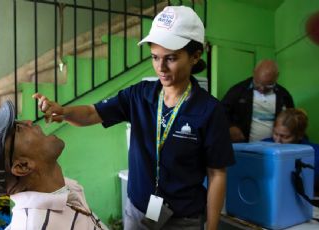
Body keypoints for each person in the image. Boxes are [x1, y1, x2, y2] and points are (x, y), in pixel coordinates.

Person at [34, 6, 235, 230]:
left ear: (195, 57)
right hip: (139, 210)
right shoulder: (140, 95)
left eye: (171, 58)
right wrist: (63, 111)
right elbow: (92, 113)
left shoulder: (209, 110)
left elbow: (217, 174)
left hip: (184, 219)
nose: (161, 67)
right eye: (155, 57)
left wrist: (212, 226)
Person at [0, 101, 106, 230]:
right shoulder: (38, 226)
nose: (29, 122)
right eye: (19, 129)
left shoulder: (59, 192)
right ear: (22, 166)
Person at [221, 59, 294, 143]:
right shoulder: (238, 90)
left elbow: (291, 120)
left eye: (268, 85)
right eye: (258, 84)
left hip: (275, 147)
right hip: (244, 146)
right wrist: (230, 126)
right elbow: (221, 111)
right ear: (254, 73)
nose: (262, 89)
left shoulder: (284, 95)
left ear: (276, 76)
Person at [262, 108, 319, 196]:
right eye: (275, 134)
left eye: (285, 137)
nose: (277, 141)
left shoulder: (315, 153)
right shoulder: (263, 146)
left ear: (300, 135)